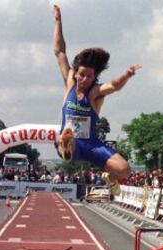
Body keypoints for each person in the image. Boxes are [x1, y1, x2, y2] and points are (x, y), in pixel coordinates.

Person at [52, 5, 141, 196]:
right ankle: (66, 149)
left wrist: (127, 74)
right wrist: (58, 22)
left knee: (125, 169)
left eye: (89, 76)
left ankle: (110, 177)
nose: (84, 79)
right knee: (67, 137)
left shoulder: (95, 93)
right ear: (76, 73)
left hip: (92, 144)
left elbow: (114, 86)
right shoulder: (70, 84)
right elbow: (59, 52)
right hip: (71, 142)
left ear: (94, 77)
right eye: (82, 75)